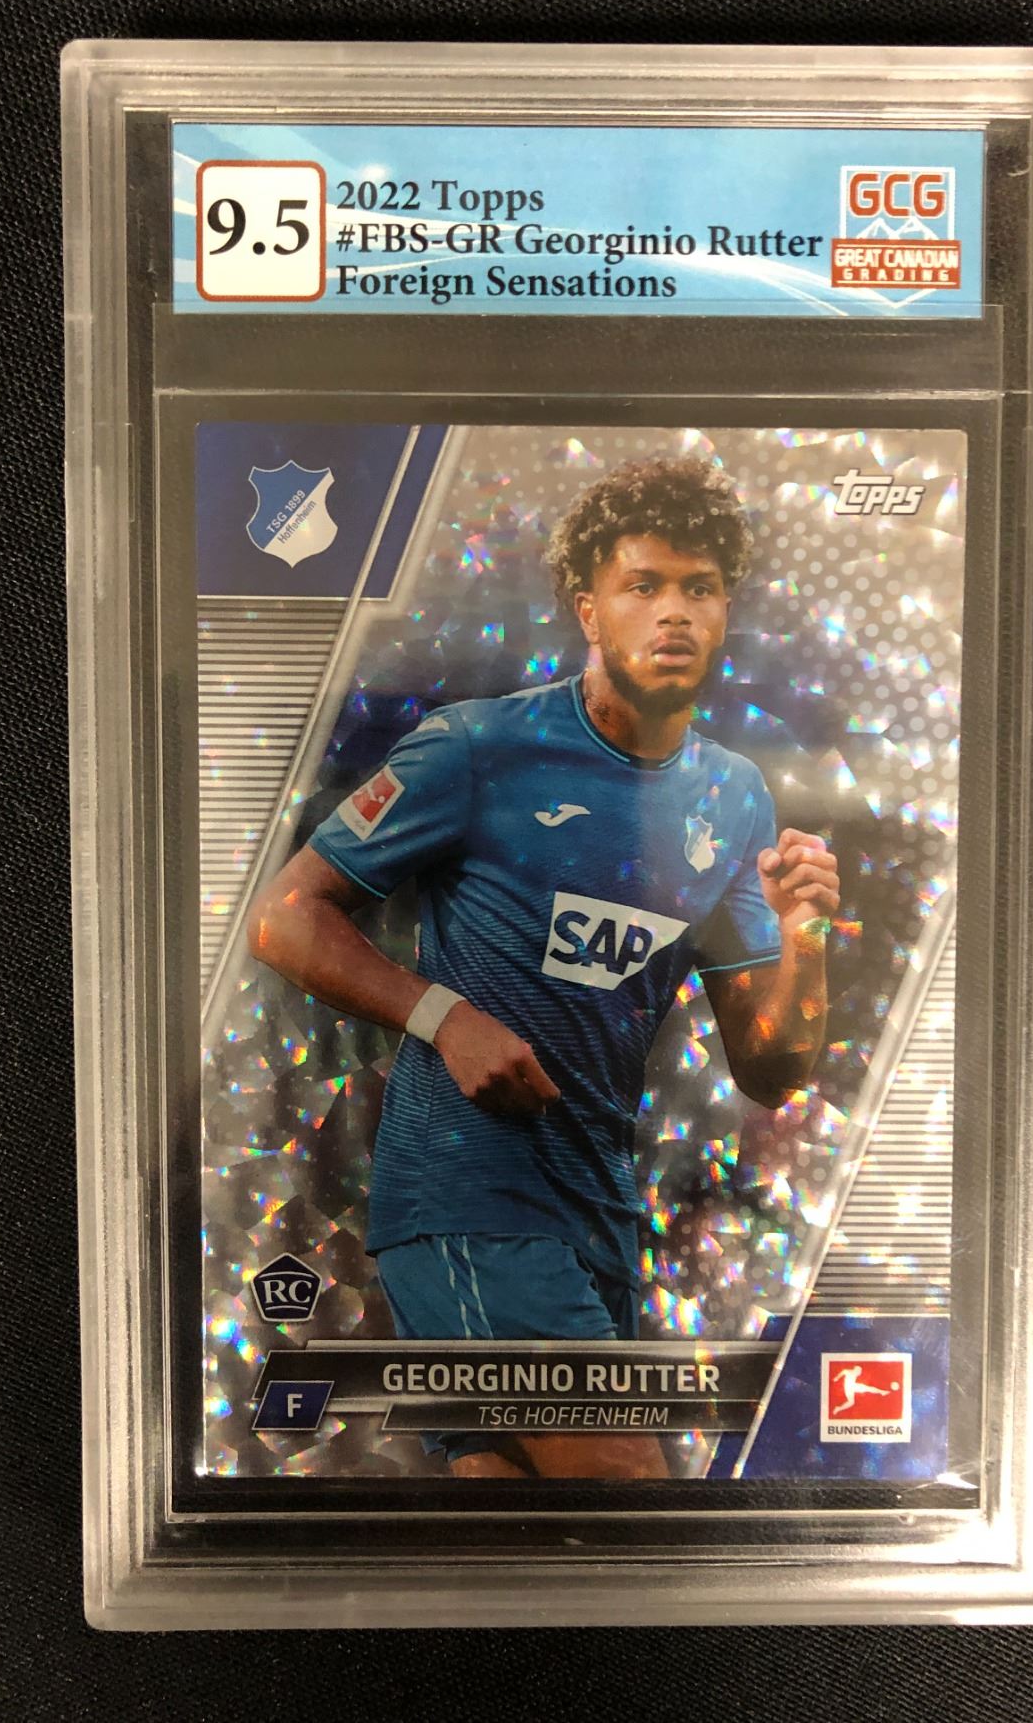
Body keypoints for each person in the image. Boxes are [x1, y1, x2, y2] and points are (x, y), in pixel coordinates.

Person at [248, 456, 840, 1478]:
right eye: (643, 585)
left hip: (598, 1212)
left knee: (513, 1523)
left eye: (699, 588)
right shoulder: (478, 748)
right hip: (471, 1201)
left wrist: (806, 937)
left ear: (725, 610)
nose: (674, 612)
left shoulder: (734, 796)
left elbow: (771, 1068)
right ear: (588, 608)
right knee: (632, 1491)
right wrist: (445, 1018)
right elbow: (285, 918)